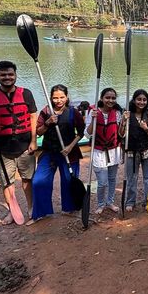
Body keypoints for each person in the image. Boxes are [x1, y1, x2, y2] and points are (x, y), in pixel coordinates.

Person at [0, 61, 37, 224]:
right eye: (3, 75)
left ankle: (31, 208)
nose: (7, 78)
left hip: (25, 148)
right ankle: (12, 211)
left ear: (15, 75)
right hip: (1, 149)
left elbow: (32, 117)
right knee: (7, 183)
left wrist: (34, 141)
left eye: (10, 74)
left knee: (27, 179)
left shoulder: (26, 94)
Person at [29, 85, 85, 223]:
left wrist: (70, 146)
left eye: (62, 97)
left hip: (69, 153)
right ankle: (41, 212)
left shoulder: (73, 112)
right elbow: (39, 132)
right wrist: (48, 123)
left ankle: (69, 208)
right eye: (55, 98)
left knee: (68, 181)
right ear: (51, 98)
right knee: (38, 181)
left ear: (66, 97)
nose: (58, 100)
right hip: (49, 152)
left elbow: (81, 132)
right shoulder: (46, 111)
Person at [85, 87, 123, 215]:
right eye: (107, 97)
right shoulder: (93, 112)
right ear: (102, 98)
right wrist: (93, 120)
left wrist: (124, 122)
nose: (110, 100)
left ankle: (110, 202)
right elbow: (87, 134)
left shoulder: (117, 113)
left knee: (112, 179)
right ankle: (100, 204)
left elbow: (121, 134)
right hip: (99, 151)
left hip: (113, 151)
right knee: (102, 182)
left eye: (113, 98)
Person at [120, 89, 148, 211]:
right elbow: (121, 134)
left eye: (144, 100)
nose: (141, 102)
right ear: (134, 100)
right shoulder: (127, 114)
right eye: (139, 99)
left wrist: (146, 128)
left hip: (147, 151)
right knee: (132, 178)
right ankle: (130, 201)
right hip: (131, 151)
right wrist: (124, 121)